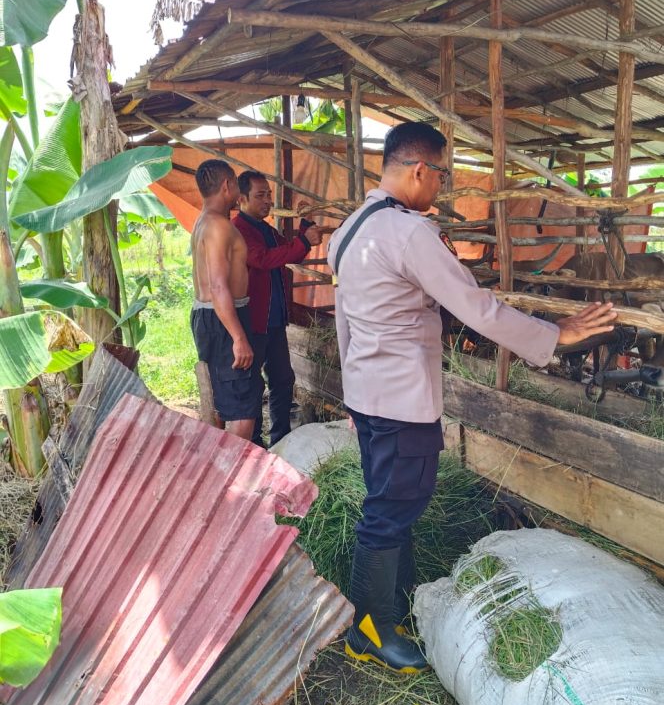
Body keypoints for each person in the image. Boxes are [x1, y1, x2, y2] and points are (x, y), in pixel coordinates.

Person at [327, 121, 617, 674]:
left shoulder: (349, 231)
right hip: (401, 401)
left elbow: (344, 320)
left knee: (390, 503)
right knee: (390, 510)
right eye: (442, 175)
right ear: (419, 170)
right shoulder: (409, 233)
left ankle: (390, 601)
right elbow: (474, 307)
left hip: (368, 395)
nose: (442, 187)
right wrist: (557, 337)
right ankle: (371, 629)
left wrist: (349, 389)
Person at [233, 170, 323, 447]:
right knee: (253, 385)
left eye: (269, 194)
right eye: (260, 195)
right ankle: (255, 444)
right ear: (241, 199)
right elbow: (263, 259)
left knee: (283, 379)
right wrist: (306, 240)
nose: (267, 201)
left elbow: (286, 249)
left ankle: (281, 439)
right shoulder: (239, 231)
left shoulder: (266, 229)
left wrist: (304, 223)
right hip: (254, 321)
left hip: (275, 321)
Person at [190, 159, 262, 440]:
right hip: (224, 317)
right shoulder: (220, 226)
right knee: (242, 408)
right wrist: (239, 337)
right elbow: (219, 286)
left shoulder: (202, 222)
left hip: (206, 315)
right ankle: (234, 477)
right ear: (227, 185)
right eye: (235, 183)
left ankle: (216, 468)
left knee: (221, 397)